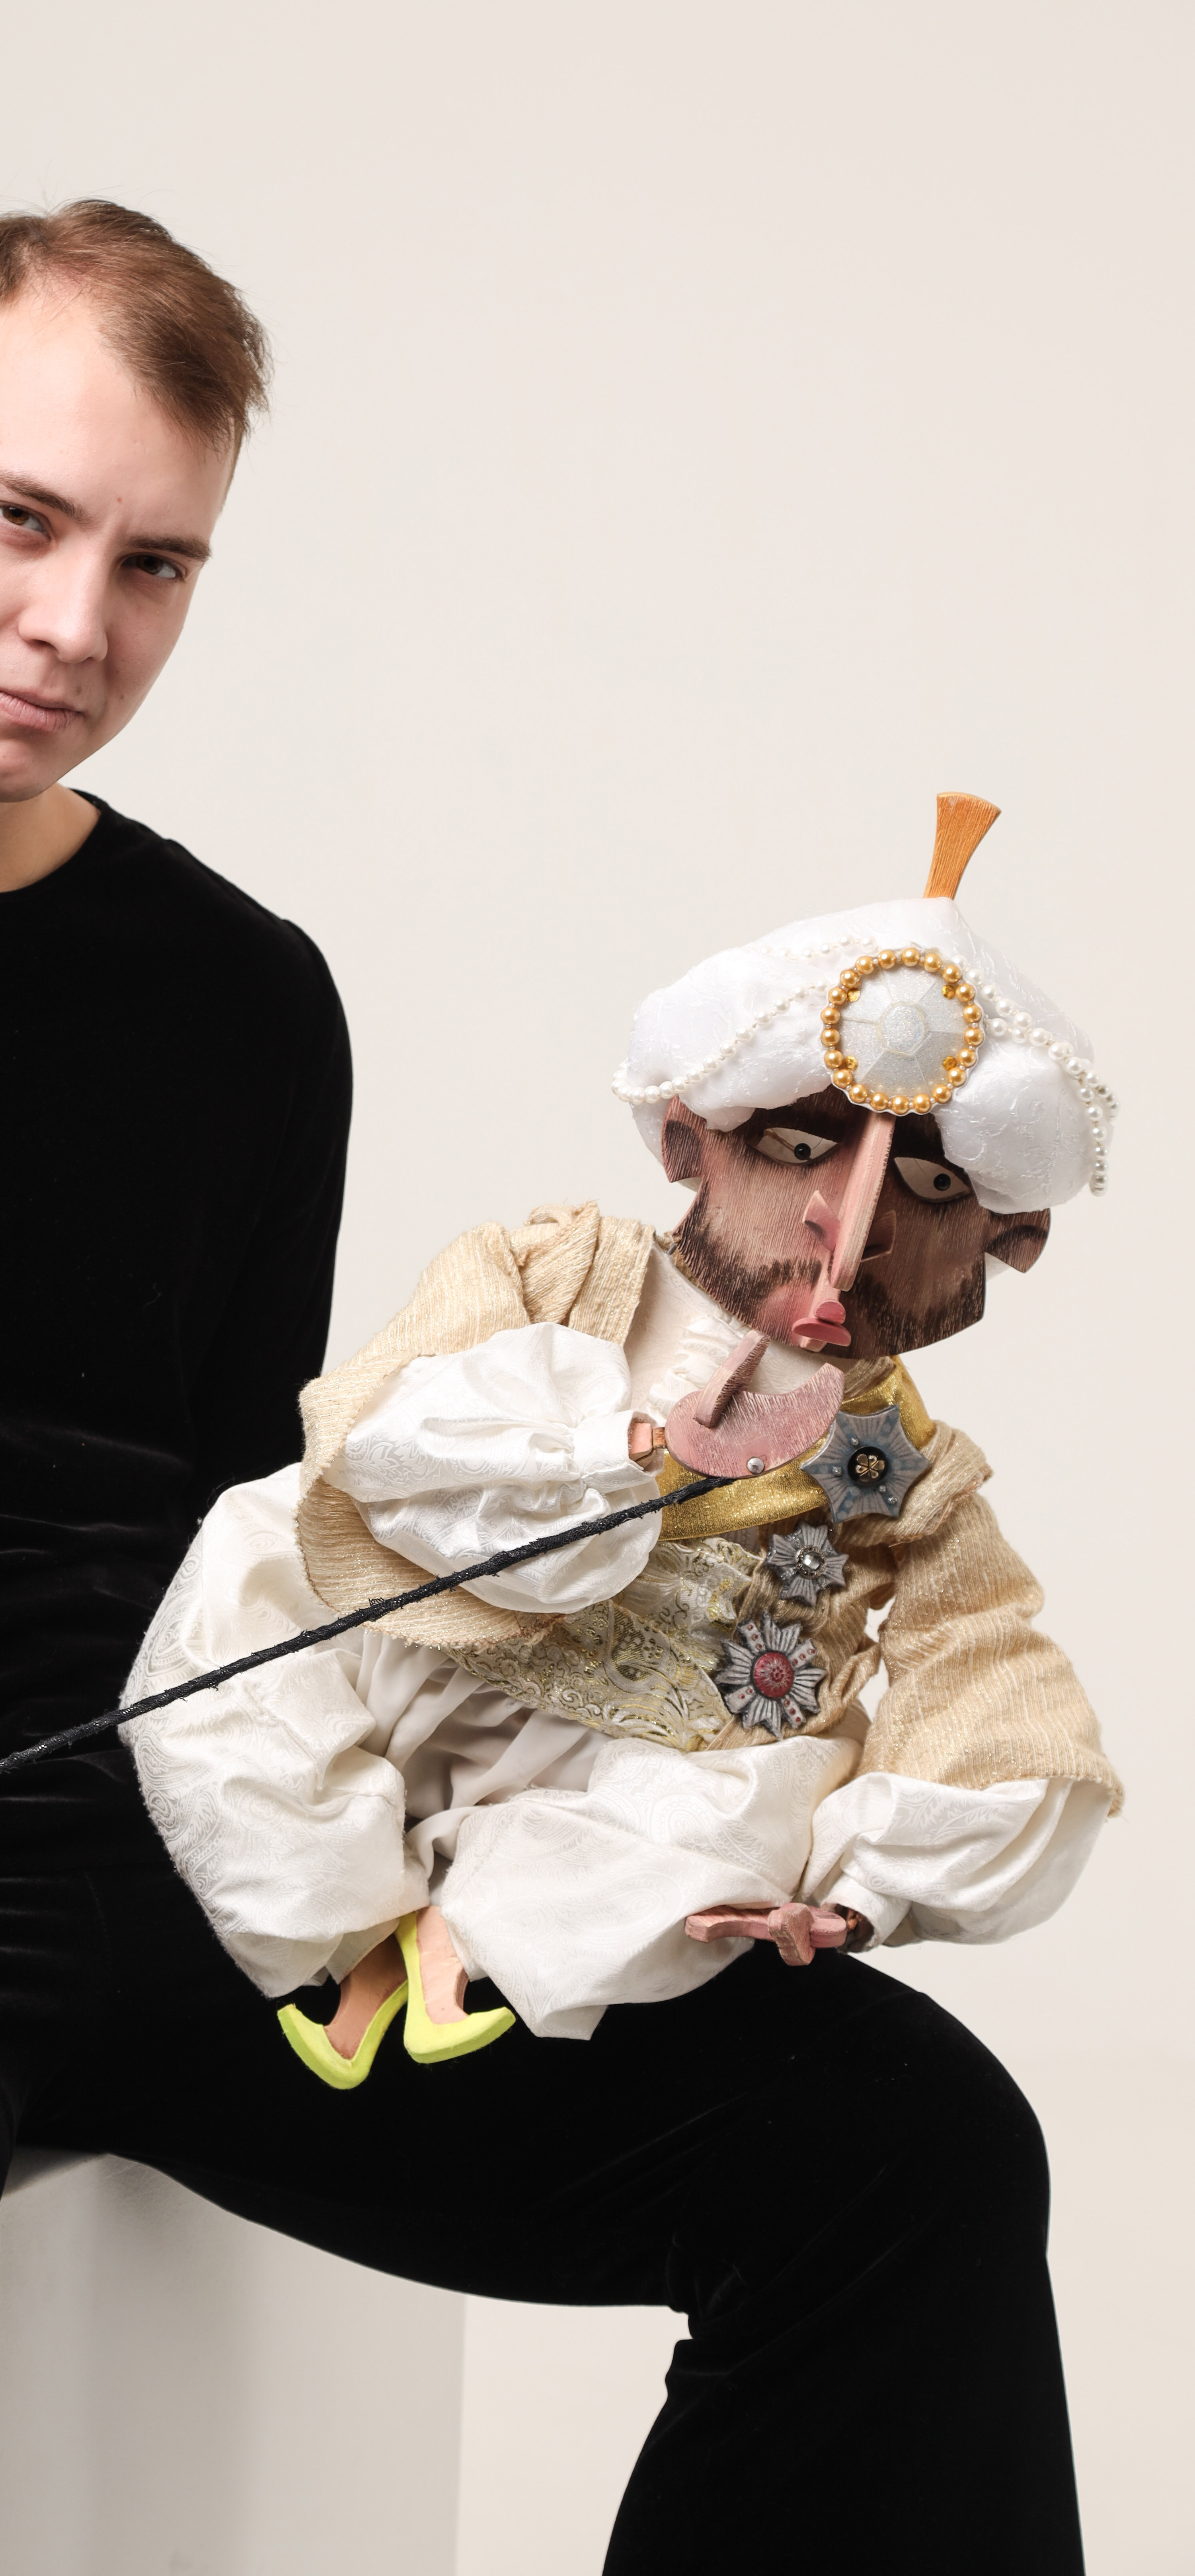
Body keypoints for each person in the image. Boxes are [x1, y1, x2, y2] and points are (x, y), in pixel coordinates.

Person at [0, 199, 1089, 2576]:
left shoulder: (234, 999)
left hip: (193, 1875)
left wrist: (607, 1816)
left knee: (910, 2163)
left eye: (156, 564)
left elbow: (277, 1572)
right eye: (19, 519)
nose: (74, 625)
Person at [123, 802, 1118, 2097]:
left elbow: (988, 1679)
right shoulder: (554, 1271)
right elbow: (384, 1430)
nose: (850, 1225)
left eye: (934, 1191)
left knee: (738, 1821)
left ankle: (478, 1951)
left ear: (1005, 1245)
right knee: (243, 1584)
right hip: (419, 1659)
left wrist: (865, 1890)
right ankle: (338, 1929)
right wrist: (627, 1451)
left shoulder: (913, 1473)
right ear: (691, 1139)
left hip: (656, 1770)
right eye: (798, 1148)